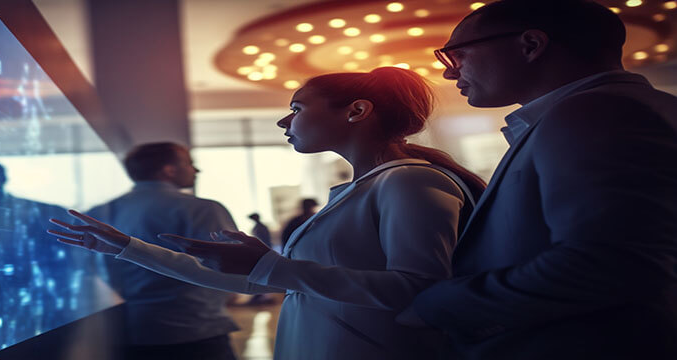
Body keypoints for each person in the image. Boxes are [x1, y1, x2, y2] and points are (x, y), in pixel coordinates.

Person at [52, 67, 485, 359]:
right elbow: (251, 278)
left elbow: (419, 290)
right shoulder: (365, 188)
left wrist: (272, 266)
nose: (284, 122)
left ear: (356, 111)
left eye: (296, 109)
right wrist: (127, 248)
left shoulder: (408, 180)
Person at [401, 1, 677, 358]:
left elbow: (613, 263)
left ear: (531, 45)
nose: (450, 75)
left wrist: (441, 304)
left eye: (456, 56)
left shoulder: (598, 111)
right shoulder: (623, 106)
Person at [80, 142, 240, 360]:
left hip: (131, 332)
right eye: (190, 163)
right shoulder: (202, 209)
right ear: (169, 169)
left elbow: (89, 271)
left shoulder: (98, 213)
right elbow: (232, 268)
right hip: (195, 328)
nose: (196, 170)